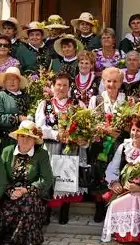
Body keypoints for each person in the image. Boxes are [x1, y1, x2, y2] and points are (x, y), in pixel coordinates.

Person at [101, 118, 140, 245]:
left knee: (133, 200)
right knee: (116, 203)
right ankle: (124, 235)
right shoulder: (124, 147)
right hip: (127, 189)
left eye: (139, 130)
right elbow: (113, 168)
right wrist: (114, 183)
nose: (135, 133)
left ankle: (139, 236)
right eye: (133, 130)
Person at [35, 72, 86, 224]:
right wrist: (56, 134)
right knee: (50, 177)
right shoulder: (45, 104)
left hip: (71, 148)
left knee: (67, 177)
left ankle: (65, 209)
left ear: (69, 87)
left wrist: (77, 136)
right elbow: (39, 127)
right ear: (52, 86)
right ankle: (47, 210)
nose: (61, 88)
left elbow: (85, 127)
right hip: (51, 147)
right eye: (58, 85)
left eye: (65, 85)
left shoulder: (78, 104)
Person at [0, 120, 53, 245]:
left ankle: (23, 239)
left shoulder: (41, 154)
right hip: (11, 193)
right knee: (7, 208)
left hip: (32, 194)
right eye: (22, 136)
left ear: (34, 140)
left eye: (29, 137)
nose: (25, 140)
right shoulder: (7, 151)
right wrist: (10, 191)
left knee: (28, 202)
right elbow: (1, 177)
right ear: (17, 137)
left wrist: (25, 190)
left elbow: (47, 179)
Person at [88, 67, 128, 222]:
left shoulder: (127, 101)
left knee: (117, 174)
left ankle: (114, 207)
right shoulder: (96, 100)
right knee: (99, 176)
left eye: (115, 81)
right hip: (100, 145)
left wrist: (121, 129)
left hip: (119, 145)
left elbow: (132, 123)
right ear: (103, 82)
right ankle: (100, 207)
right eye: (108, 81)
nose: (112, 84)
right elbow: (89, 124)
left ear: (121, 82)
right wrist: (105, 129)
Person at [0, 67, 31, 150]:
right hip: (6, 139)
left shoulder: (26, 96)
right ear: (4, 82)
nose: (12, 82)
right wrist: (18, 118)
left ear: (19, 81)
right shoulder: (0, 96)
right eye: (9, 79)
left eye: (15, 79)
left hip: (26, 137)